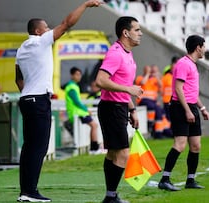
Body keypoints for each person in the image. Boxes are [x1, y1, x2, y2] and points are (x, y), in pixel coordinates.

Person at [14, 1, 103, 202]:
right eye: (46, 27)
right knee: (39, 148)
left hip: (26, 99)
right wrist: (86, 4)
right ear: (38, 31)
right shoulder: (41, 41)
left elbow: (18, 79)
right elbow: (67, 23)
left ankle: (25, 191)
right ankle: (30, 192)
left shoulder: (21, 49)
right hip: (38, 100)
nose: (49, 30)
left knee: (29, 147)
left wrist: (28, 92)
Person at [95, 16, 143, 203]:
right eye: (137, 30)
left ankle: (110, 196)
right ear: (126, 32)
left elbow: (120, 83)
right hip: (111, 108)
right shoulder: (115, 53)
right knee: (122, 153)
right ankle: (111, 197)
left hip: (119, 107)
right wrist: (129, 90)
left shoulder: (127, 53)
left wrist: (132, 109)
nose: (140, 34)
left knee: (114, 153)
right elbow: (101, 81)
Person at [158, 35, 209, 191]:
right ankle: (165, 179)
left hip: (191, 107)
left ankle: (190, 180)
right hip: (181, 107)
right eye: (204, 46)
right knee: (180, 144)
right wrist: (188, 111)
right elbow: (178, 89)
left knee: (195, 145)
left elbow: (192, 92)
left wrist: (202, 109)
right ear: (198, 47)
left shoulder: (192, 64)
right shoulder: (183, 64)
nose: (205, 49)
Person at [64, 67, 101, 154]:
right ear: (72, 75)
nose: (79, 76)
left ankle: (93, 148)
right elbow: (76, 101)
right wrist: (86, 109)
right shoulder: (71, 87)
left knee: (93, 126)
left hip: (78, 112)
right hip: (77, 112)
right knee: (94, 126)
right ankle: (94, 148)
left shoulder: (74, 86)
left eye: (80, 74)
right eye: (77, 74)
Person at [162, 55, 179, 121]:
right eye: (175, 63)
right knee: (169, 119)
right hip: (167, 101)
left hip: (177, 101)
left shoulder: (180, 76)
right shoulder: (166, 76)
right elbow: (161, 89)